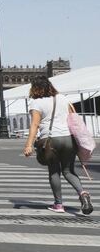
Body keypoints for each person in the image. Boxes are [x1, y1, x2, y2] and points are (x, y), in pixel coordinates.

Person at [23, 77, 92, 214]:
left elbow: (35, 125)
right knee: (69, 171)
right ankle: (83, 193)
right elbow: (73, 119)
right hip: (68, 138)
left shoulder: (36, 102)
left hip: (50, 140)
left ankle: (58, 204)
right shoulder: (62, 98)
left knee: (54, 171)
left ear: (34, 88)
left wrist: (28, 145)